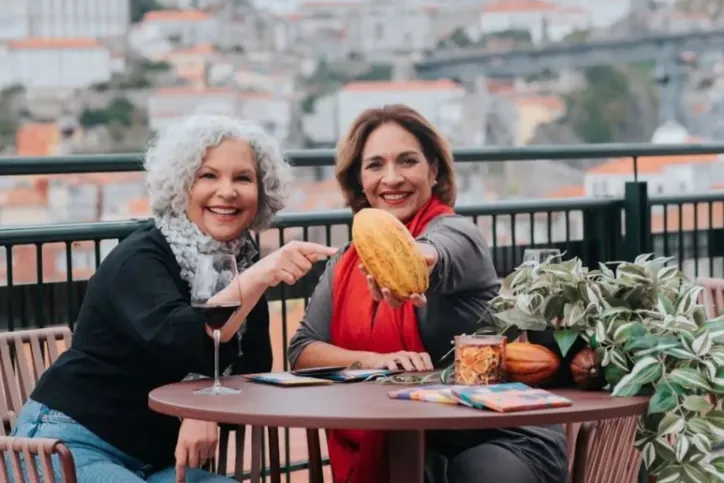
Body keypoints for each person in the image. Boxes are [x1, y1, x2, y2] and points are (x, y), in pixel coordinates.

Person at [8, 115, 337, 483]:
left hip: (156, 462)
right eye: (207, 176)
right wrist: (258, 277)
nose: (227, 191)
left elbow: (253, 369)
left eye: (242, 178)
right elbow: (182, 337)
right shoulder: (139, 257)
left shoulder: (240, 262)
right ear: (182, 186)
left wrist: (205, 408)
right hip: (71, 441)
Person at [287, 105, 569, 483]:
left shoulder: (458, 232)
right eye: (375, 165)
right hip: (410, 441)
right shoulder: (344, 263)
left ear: (433, 171)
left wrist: (410, 262)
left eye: (407, 161)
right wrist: (378, 360)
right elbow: (302, 351)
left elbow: (438, 252)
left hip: (498, 434)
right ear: (359, 180)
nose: (392, 178)